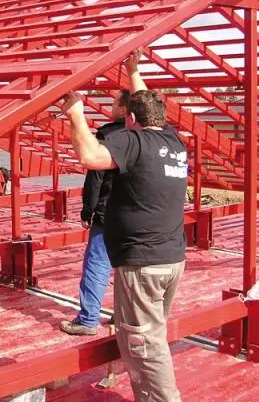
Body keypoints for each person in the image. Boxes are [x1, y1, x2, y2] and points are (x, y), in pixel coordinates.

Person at [61, 49, 187, 402]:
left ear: (130, 118)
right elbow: (147, 104)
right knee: (151, 333)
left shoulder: (132, 141)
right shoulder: (172, 141)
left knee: (144, 343)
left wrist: (76, 114)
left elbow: (90, 157)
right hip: (171, 258)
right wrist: (134, 70)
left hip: (143, 263)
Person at [59, 104, 126, 335]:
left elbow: (96, 177)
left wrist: (88, 209)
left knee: (97, 265)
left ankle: (88, 320)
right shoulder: (144, 138)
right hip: (136, 216)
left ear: (126, 109)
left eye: (117, 103)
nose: (111, 107)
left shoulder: (108, 135)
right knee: (127, 267)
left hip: (108, 214)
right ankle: (122, 316)